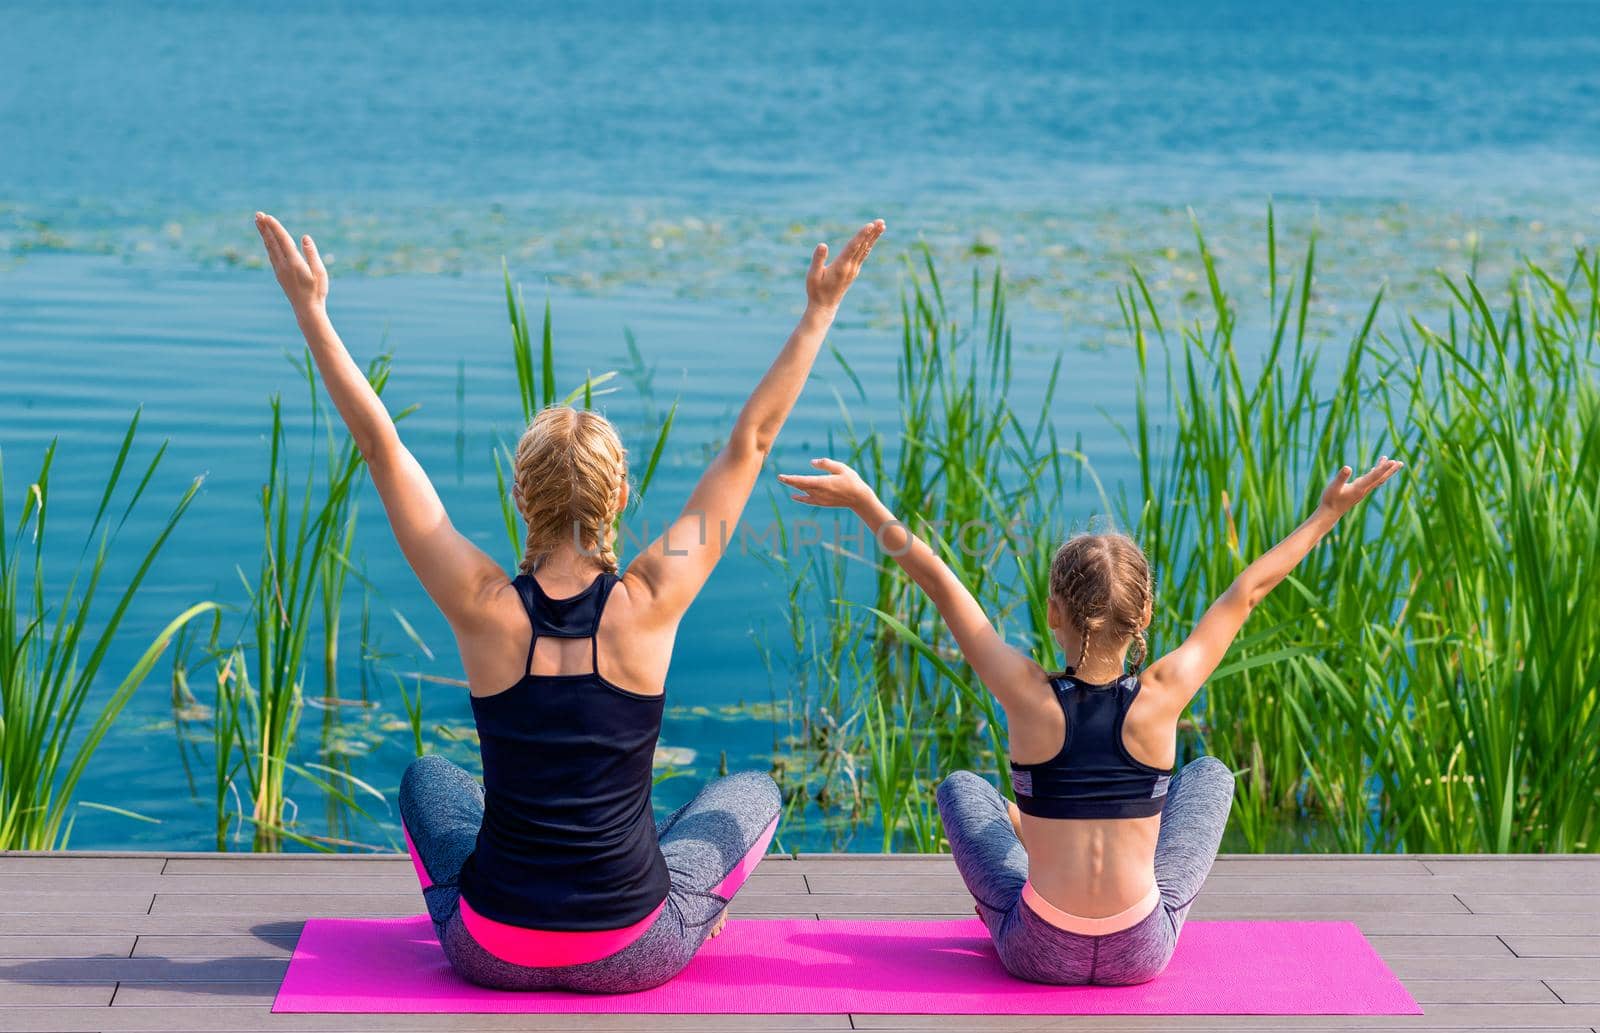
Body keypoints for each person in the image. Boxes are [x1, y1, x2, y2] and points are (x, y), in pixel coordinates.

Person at [254, 211, 885, 992]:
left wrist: (311, 309)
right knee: (754, 792)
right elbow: (750, 442)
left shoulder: (481, 602)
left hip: (491, 949)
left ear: (521, 495)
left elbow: (382, 447)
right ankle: (686, 900)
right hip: (631, 948)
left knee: (425, 778)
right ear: (621, 494)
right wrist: (820, 307)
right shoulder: (654, 595)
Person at [778, 454, 1402, 984]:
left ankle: (1033, 833)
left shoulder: (1026, 695)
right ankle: (1075, 848)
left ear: (1054, 613)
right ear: (1145, 615)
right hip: (1142, 950)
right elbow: (1247, 592)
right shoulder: (1164, 693)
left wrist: (864, 500)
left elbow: (939, 583)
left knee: (963, 789)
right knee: (1210, 774)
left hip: (1035, 950)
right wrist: (1327, 514)